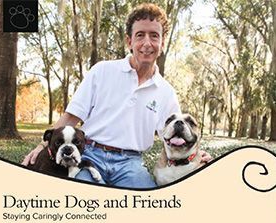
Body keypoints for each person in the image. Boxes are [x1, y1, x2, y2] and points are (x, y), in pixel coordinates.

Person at [23, 3, 210, 188]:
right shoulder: (102, 71)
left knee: (147, 202)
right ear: (129, 41)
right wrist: (42, 146)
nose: (147, 43)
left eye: (154, 36)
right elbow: (71, 117)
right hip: (90, 155)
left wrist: (197, 157)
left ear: (162, 43)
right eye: (140, 35)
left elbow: (177, 135)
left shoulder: (166, 92)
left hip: (130, 163)